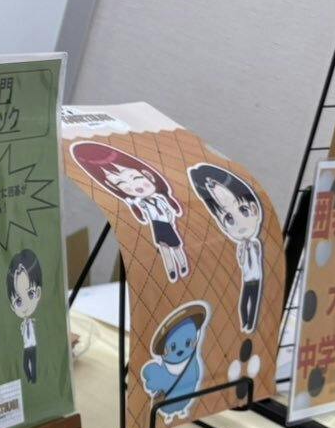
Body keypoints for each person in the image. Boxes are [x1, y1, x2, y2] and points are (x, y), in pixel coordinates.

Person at [72, 142, 188, 282]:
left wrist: (170, 217)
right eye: (122, 185)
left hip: (167, 225)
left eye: (136, 178)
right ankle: (171, 270)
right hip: (157, 226)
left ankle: (182, 264)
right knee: (164, 249)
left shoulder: (161, 198)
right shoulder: (140, 203)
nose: (135, 187)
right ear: (113, 187)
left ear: (148, 175)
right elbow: (145, 218)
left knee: (175, 246)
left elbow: (168, 211)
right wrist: (134, 205)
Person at [187, 162, 266, 333]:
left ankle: (249, 324)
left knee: (253, 301)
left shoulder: (256, 244)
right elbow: (241, 262)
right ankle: (245, 322)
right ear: (222, 225)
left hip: (256, 277)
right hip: (247, 278)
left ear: (254, 209)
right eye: (229, 219)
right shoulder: (240, 247)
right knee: (244, 301)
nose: (240, 222)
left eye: (244, 211)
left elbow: (257, 258)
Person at [6, 251, 43, 384]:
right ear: (12, 306)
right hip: (26, 347)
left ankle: (34, 380)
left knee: (34, 364)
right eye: (18, 301)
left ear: (38, 293)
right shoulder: (23, 325)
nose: (26, 305)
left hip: (33, 346)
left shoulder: (33, 322)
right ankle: (29, 379)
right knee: (25, 364)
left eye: (31, 294)